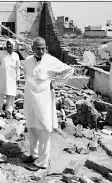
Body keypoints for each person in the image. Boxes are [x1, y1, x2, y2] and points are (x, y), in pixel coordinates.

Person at [21, 37, 74, 171]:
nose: (41, 51)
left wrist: (55, 83)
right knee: (32, 127)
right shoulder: (27, 61)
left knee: (44, 130)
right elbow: (27, 75)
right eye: (38, 48)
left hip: (44, 101)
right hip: (30, 100)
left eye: (43, 48)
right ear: (32, 49)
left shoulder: (50, 60)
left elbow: (69, 70)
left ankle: (42, 162)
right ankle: (33, 155)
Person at [0, 39, 20, 118]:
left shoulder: (16, 55)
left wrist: (18, 78)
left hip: (12, 78)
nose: (8, 46)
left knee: (11, 96)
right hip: (2, 78)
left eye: (10, 44)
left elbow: (17, 68)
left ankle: (9, 112)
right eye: (7, 44)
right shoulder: (2, 54)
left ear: (13, 46)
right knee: (0, 95)